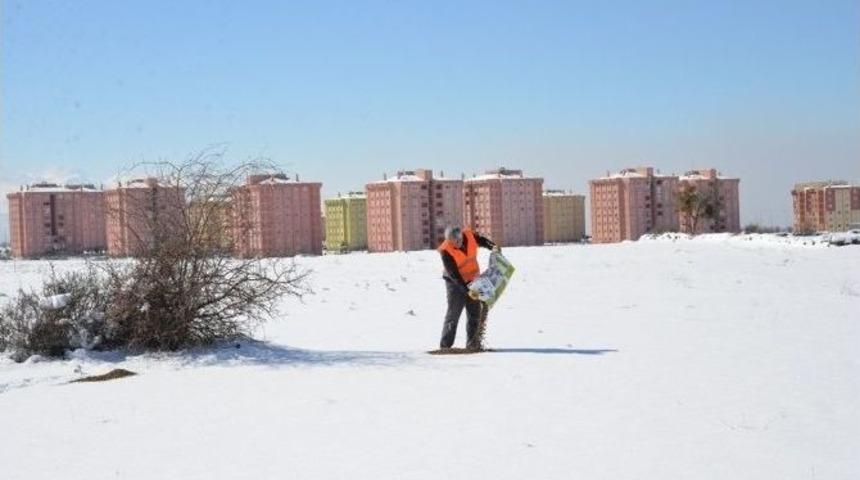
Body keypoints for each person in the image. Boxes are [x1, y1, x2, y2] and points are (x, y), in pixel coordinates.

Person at [437, 224, 499, 350]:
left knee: (474, 312)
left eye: (458, 240)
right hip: (454, 283)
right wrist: (466, 289)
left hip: (473, 279)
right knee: (453, 313)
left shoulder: (469, 236)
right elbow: (453, 273)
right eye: (453, 242)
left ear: (461, 236)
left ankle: (473, 344)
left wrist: (492, 246)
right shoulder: (445, 250)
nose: (456, 244)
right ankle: (445, 346)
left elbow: (481, 240)